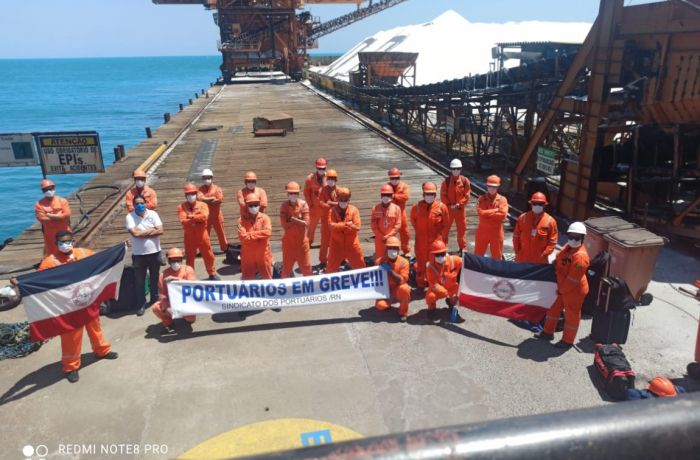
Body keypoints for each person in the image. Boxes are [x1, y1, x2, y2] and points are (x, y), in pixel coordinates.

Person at [36, 230, 118, 383]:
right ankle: (71, 367)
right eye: (62, 242)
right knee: (71, 337)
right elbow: (38, 281)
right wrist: (20, 283)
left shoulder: (83, 253)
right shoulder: (50, 262)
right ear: (56, 244)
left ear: (73, 241)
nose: (66, 245)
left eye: (68, 241)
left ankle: (102, 350)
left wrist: (120, 249)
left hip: (87, 300)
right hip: (68, 307)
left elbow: (102, 260)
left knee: (95, 328)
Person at [535, 222, 590, 349]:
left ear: (582, 238)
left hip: (574, 290)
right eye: (571, 236)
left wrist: (562, 290)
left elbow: (573, 279)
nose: (573, 240)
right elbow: (561, 258)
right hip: (561, 286)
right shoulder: (568, 247)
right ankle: (548, 332)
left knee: (571, 315)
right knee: (553, 308)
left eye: (577, 237)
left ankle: (567, 341)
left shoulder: (580, 258)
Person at [125, 196, 163, 316]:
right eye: (137, 203)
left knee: (154, 277)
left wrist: (142, 233)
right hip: (139, 255)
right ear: (133, 205)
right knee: (139, 281)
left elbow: (160, 230)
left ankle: (154, 298)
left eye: (142, 203)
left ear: (146, 203)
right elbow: (135, 234)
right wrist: (152, 231)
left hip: (155, 252)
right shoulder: (129, 217)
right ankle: (141, 304)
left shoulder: (153, 214)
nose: (140, 205)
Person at [410, 182, 449, 288]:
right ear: (423, 194)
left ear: (435, 195)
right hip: (421, 242)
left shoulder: (442, 207)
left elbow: (446, 224)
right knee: (421, 265)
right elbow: (413, 222)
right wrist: (421, 232)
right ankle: (421, 283)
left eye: (432, 194)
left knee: (436, 264)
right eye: (427, 194)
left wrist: (443, 242)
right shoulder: (416, 207)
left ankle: (436, 284)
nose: (429, 196)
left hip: (436, 243)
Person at [177, 183, 219, 280]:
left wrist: (191, 217)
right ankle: (190, 276)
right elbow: (183, 221)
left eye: (193, 193)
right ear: (185, 195)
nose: (191, 196)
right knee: (190, 257)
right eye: (188, 194)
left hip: (202, 235)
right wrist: (197, 218)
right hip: (189, 236)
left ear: (196, 194)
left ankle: (212, 274)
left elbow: (204, 217)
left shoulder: (203, 204)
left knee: (208, 255)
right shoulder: (181, 207)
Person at [151, 247, 196, 335]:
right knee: (156, 307)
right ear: (168, 261)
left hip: (187, 301)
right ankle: (168, 323)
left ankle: (187, 319)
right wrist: (166, 307)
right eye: (172, 260)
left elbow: (193, 286)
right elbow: (162, 294)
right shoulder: (163, 274)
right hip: (172, 301)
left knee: (190, 318)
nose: (175, 263)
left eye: (178, 260)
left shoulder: (188, 269)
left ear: (182, 260)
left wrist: (178, 280)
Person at [326, 187, 366, 273]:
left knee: (361, 269)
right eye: (341, 199)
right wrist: (347, 224)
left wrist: (338, 225)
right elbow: (331, 226)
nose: (343, 201)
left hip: (352, 245)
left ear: (349, 200)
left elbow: (358, 227)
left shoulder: (354, 210)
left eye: (345, 199)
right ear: (337, 199)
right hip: (336, 245)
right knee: (330, 270)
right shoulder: (331, 211)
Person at [512, 192, 558, 264]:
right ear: (531, 204)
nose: (537, 206)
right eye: (535, 203)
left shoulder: (550, 221)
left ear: (544, 205)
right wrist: (517, 251)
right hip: (522, 258)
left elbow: (552, 241)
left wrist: (545, 254)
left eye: (540, 204)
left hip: (540, 260)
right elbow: (516, 236)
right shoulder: (523, 218)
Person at [280, 181, 312, 277]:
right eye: (291, 193)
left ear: (298, 194)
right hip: (288, 244)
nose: (293, 195)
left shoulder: (303, 204)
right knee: (286, 269)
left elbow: (307, 223)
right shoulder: (284, 206)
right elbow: (284, 225)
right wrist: (298, 220)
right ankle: (284, 290)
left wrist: (292, 219)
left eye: (295, 193)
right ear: (288, 194)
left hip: (302, 244)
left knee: (307, 270)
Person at [425, 240, 462, 322]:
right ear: (433, 255)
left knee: (461, 295)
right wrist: (448, 294)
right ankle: (431, 308)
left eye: (442, 254)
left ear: (446, 252)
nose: (440, 256)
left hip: (452, 287)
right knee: (430, 296)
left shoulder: (454, 260)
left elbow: (466, 263)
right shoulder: (430, 267)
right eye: (437, 254)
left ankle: (451, 303)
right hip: (439, 290)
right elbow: (434, 285)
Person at [375, 237, 411, 321]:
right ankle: (387, 304)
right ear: (386, 249)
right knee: (380, 306)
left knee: (405, 288)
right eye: (390, 248)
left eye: (395, 248)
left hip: (397, 290)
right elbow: (374, 279)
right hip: (384, 291)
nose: (392, 250)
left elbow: (402, 280)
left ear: (398, 249)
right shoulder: (379, 261)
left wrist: (389, 271)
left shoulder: (404, 262)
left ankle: (403, 312)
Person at [237, 193, 272, 279]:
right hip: (248, 254)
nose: (253, 207)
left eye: (256, 205)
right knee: (246, 279)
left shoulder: (265, 218)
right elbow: (243, 237)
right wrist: (260, 234)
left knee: (267, 278)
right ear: (247, 206)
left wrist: (249, 234)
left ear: (259, 205)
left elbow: (267, 232)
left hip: (263, 253)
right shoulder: (241, 220)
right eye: (251, 205)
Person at [440, 158, 471, 253]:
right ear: (451, 169)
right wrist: (449, 205)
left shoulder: (465, 181)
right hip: (448, 210)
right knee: (445, 229)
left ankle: (463, 248)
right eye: (454, 169)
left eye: (458, 168)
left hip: (460, 210)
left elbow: (467, 195)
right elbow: (443, 195)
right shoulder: (446, 181)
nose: (456, 170)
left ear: (461, 169)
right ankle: (443, 247)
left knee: (462, 229)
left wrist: (459, 204)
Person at [475, 175, 509, 260]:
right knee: (478, 256)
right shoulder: (481, 199)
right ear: (487, 186)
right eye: (490, 186)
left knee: (497, 257)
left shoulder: (502, 199)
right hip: (483, 231)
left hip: (496, 233)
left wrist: (487, 213)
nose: (492, 189)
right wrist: (495, 210)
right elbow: (481, 213)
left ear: (498, 187)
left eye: (494, 187)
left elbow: (503, 215)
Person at [35, 179, 72, 256]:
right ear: (43, 191)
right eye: (46, 189)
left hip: (64, 231)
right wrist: (59, 216)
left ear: (54, 188)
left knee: (67, 249)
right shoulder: (39, 204)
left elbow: (67, 214)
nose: (49, 191)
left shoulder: (62, 201)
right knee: (51, 251)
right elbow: (41, 218)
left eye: (50, 188)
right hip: (50, 233)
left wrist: (50, 216)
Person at [198, 168, 228, 253]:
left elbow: (219, 199)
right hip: (205, 216)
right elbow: (199, 198)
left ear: (211, 178)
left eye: (208, 177)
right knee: (205, 234)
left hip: (217, 215)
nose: (207, 179)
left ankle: (225, 248)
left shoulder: (217, 188)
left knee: (221, 232)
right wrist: (211, 199)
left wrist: (205, 200)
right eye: (205, 178)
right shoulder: (200, 189)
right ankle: (205, 249)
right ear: (202, 178)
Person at [370, 184, 402, 260]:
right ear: (381, 196)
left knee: (393, 258)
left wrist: (389, 236)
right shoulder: (375, 208)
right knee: (379, 257)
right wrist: (380, 235)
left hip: (392, 238)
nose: (386, 197)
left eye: (388, 195)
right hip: (379, 238)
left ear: (392, 196)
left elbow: (398, 224)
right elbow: (373, 224)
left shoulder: (397, 208)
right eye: (384, 195)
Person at [318, 169, 339, 268]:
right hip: (326, 219)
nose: (331, 181)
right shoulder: (323, 190)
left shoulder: (339, 190)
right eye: (329, 179)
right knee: (324, 241)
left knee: (337, 240)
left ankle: (339, 258)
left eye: (333, 179)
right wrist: (331, 205)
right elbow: (321, 203)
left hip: (336, 220)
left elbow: (342, 204)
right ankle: (323, 260)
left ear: (336, 179)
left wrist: (331, 203)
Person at [387, 167, 411, 255]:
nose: (394, 180)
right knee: (390, 232)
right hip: (390, 213)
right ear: (390, 178)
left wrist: (394, 196)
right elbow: (384, 198)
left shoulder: (404, 186)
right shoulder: (387, 186)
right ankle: (392, 250)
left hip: (401, 212)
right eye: (392, 178)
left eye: (396, 178)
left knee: (405, 232)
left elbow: (406, 197)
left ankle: (406, 251)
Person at [304, 158, 327, 247]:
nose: (321, 170)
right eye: (319, 168)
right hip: (315, 207)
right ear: (316, 168)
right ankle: (308, 243)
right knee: (311, 226)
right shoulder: (310, 178)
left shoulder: (329, 177)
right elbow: (306, 193)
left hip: (325, 207)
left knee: (326, 226)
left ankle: (326, 242)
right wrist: (310, 205)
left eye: (323, 168)